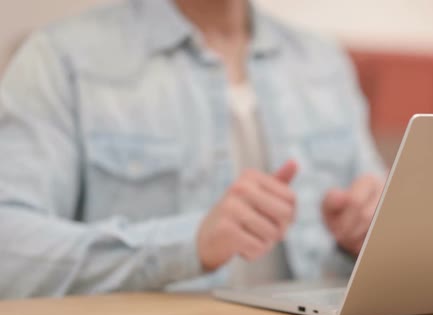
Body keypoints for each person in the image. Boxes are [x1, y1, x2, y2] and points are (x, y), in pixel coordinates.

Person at [0, 0, 385, 298]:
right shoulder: (60, 58)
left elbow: (382, 223)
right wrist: (187, 244)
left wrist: (363, 236)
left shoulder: (324, 63)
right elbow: (10, 251)